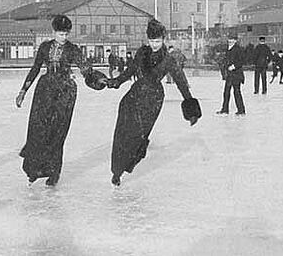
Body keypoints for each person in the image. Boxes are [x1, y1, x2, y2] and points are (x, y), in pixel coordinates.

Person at [105, 19, 200, 186]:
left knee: (138, 137)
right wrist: (117, 81)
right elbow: (131, 70)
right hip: (134, 96)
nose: (154, 44)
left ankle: (127, 165)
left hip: (152, 99)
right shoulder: (142, 53)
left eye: (157, 41)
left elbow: (181, 81)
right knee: (122, 133)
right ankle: (117, 171)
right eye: (151, 41)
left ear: (163, 39)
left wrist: (191, 109)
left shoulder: (168, 59)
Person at [15, 15, 96, 186]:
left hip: (65, 92)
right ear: (54, 32)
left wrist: (99, 81)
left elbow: (86, 70)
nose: (63, 38)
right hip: (45, 90)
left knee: (58, 132)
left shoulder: (73, 49)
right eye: (60, 34)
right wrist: (23, 90)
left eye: (66, 34)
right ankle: (34, 169)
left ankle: (54, 172)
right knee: (38, 129)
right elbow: (35, 68)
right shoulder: (45, 47)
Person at [217, 33, 246, 116]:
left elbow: (242, 60)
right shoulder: (228, 49)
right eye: (229, 39)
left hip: (236, 74)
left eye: (232, 40)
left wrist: (234, 66)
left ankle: (241, 110)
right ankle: (225, 109)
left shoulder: (238, 49)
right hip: (229, 75)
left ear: (235, 41)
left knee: (237, 92)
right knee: (226, 92)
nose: (230, 41)